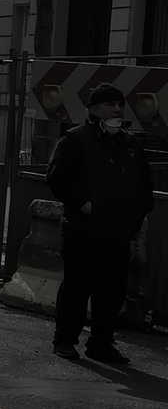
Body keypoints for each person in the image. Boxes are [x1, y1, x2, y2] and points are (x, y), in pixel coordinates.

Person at [47, 81, 156, 366]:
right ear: (94, 109)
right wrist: (82, 203)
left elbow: (144, 185)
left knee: (112, 291)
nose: (116, 109)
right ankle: (65, 340)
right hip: (82, 229)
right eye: (110, 104)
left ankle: (101, 344)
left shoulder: (130, 144)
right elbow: (57, 178)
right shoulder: (75, 140)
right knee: (77, 287)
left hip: (118, 231)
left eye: (119, 104)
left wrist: (139, 214)